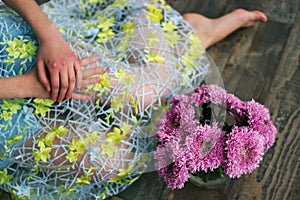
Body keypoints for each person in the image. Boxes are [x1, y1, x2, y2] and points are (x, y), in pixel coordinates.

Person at [0, 0, 268, 199]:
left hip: (7, 48)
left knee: (145, 93)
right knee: (111, 159)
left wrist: (49, 36)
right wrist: (28, 86)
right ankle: (189, 38)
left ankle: (150, 17)